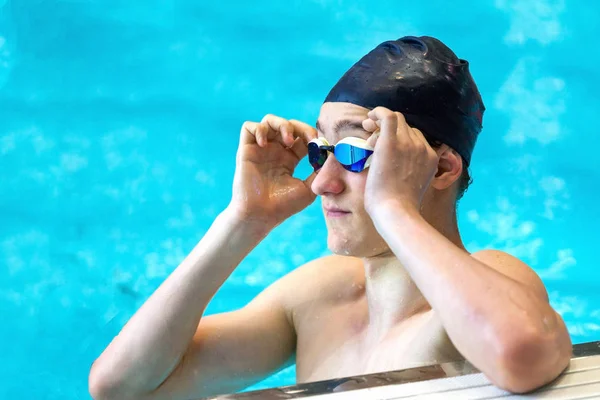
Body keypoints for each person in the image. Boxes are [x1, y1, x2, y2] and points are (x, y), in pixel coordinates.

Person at [88, 36, 572, 400]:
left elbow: (523, 356)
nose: (321, 182)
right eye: (321, 152)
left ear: (441, 168)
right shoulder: (318, 297)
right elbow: (121, 386)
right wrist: (244, 220)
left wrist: (394, 208)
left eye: (354, 153)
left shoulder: (491, 281)